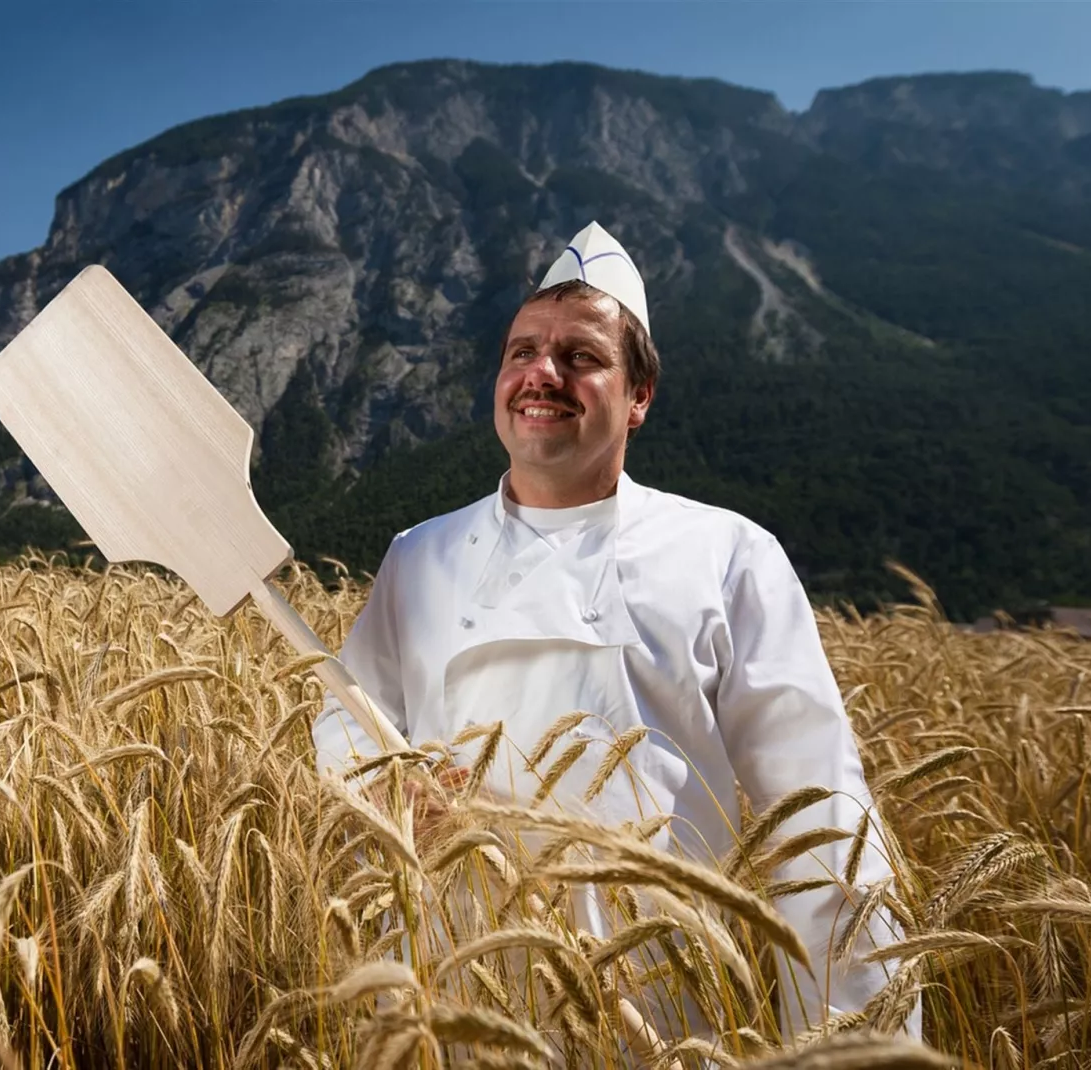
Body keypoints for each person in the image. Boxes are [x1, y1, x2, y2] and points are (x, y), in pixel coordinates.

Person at [312, 222, 919, 1043]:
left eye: (581, 357)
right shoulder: (418, 556)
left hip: (661, 1016)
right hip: (446, 1003)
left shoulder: (727, 556)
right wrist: (386, 784)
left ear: (639, 397)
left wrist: (856, 1048)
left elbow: (823, 826)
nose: (542, 374)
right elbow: (346, 718)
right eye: (521, 351)